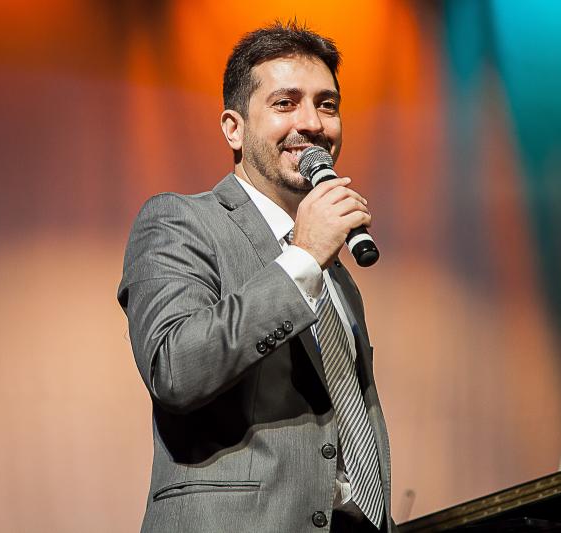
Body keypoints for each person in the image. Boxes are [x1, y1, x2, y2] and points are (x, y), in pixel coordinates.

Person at [118, 21, 395, 533]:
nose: (312, 123)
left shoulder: (334, 269)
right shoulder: (180, 221)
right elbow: (174, 369)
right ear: (234, 128)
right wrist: (302, 258)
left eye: (327, 105)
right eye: (285, 103)